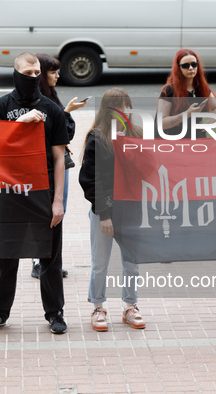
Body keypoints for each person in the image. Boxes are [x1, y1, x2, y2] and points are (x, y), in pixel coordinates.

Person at [0, 52, 69, 335]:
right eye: (27, 73)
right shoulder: (1, 106)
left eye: (36, 73)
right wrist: (21, 122)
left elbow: (59, 159)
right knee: (6, 257)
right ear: (16, 74)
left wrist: (58, 201)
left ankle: (55, 313)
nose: (33, 77)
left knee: (51, 257)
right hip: (10, 193)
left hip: (44, 193)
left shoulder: (52, 109)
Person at [79, 88, 146, 332]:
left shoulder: (137, 134)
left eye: (126, 105)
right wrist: (104, 214)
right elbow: (91, 179)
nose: (124, 111)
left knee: (131, 262)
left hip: (131, 211)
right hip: (104, 211)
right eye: (118, 106)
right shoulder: (97, 138)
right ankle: (98, 307)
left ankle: (130, 306)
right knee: (101, 262)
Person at [30, 53, 87, 280]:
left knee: (58, 211)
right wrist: (66, 113)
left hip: (59, 162)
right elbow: (45, 133)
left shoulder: (51, 95)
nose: (58, 76)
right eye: (53, 72)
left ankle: (51, 262)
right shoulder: (37, 100)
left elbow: (65, 134)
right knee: (44, 212)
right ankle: (38, 262)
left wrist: (65, 117)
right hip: (43, 165)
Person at [157, 49, 216, 139]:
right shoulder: (169, 90)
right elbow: (161, 123)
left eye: (194, 64)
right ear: (178, 68)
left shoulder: (202, 88)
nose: (191, 68)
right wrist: (187, 114)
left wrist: (210, 122)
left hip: (197, 138)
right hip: (174, 139)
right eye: (185, 66)